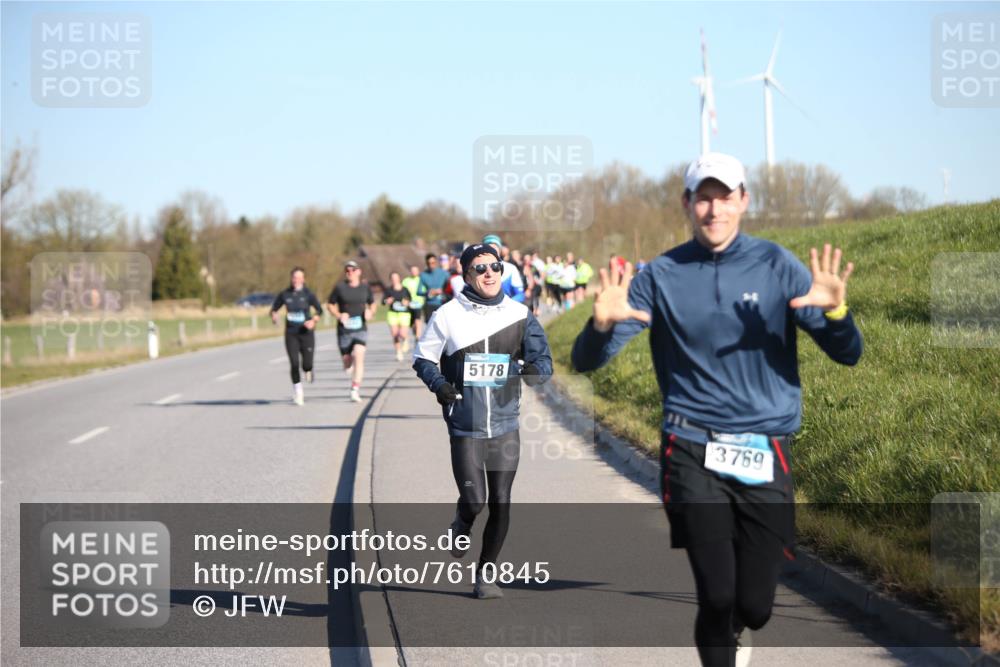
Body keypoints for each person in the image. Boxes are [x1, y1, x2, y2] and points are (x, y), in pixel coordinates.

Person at [571, 152, 862, 667]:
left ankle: (732, 632)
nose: (714, 210)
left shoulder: (778, 266)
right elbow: (586, 362)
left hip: (765, 448)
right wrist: (598, 328)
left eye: (724, 197)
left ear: (743, 201)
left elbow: (848, 354)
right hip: (690, 446)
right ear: (687, 204)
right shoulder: (660, 275)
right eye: (703, 198)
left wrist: (836, 314)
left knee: (755, 604)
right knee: (717, 593)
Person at [413, 242, 553, 600]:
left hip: (505, 423)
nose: (488, 273)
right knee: (475, 501)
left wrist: (534, 371)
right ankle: (462, 519)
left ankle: (485, 575)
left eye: (494, 266)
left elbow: (542, 362)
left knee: (502, 501)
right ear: (466, 274)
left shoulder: (520, 314)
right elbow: (423, 359)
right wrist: (440, 385)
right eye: (479, 268)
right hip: (466, 423)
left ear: (502, 270)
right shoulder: (447, 315)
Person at [270, 267, 323, 406]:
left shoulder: (308, 294)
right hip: (291, 333)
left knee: (307, 364)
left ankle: (308, 370)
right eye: (294, 277)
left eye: (299, 277)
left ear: (303, 279)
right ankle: (298, 392)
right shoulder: (285, 294)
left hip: (306, 333)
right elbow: (274, 309)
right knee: (294, 363)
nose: (296, 280)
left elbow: (319, 310)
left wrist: (313, 320)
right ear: (291, 278)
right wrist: (274, 316)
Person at [327, 260, 376, 403]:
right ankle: (347, 363)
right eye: (347, 270)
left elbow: (372, 303)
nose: (350, 273)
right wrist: (338, 315)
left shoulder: (365, 288)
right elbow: (330, 304)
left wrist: (370, 312)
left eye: (353, 270)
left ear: (359, 271)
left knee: (358, 355)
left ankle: (355, 389)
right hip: (344, 330)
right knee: (347, 361)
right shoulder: (340, 288)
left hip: (360, 328)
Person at [482, 234, 525, 303]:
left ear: (500, 251)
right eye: (488, 248)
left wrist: (505, 305)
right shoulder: (477, 269)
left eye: (494, 248)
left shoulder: (511, 268)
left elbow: (520, 295)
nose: (492, 251)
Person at [382, 271, 411, 362]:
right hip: (393, 313)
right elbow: (383, 302)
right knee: (395, 334)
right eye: (393, 278)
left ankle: (405, 340)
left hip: (404, 313)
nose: (394, 280)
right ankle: (398, 352)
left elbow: (410, 301)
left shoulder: (405, 289)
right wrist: (387, 301)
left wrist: (406, 302)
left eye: (396, 278)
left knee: (402, 334)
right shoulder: (388, 290)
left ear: (399, 278)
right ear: (391, 280)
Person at [418, 253, 450, 321]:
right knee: (430, 329)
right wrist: (428, 292)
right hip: (429, 305)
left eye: (433, 263)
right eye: (429, 263)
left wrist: (442, 291)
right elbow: (418, 292)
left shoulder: (444, 273)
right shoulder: (423, 275)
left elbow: (450, 288)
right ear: (426, 263)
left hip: (442, 304)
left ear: (436, 262)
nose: (431, 265)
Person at [402, 265, 425, 348]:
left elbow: (425, 291)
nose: (414, 272)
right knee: (412, 325)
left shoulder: (421, 280)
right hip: (409, 304)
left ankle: (418, 338)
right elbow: (402, 292)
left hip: (418, 304)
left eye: (415, 270)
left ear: (418, 271)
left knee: (417, 320)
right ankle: (415, 335)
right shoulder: (405, 281)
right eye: (412, 270)